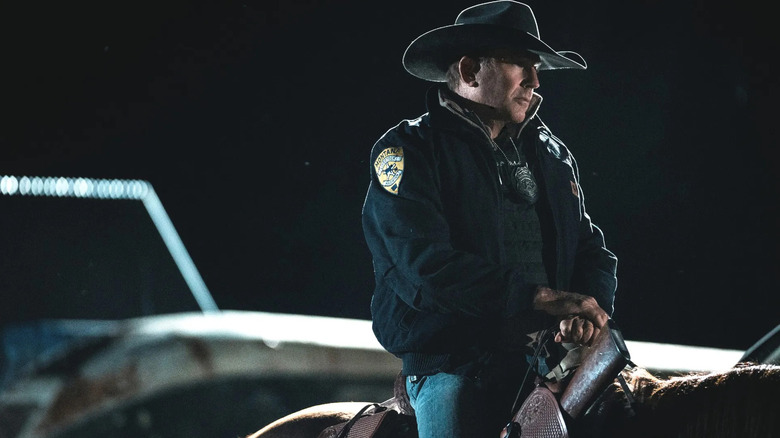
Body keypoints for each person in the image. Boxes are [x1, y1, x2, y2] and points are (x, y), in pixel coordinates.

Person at [361, 1, 618, 437]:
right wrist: (542, 300)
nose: (535, 82)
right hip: (453, 364)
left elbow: (591, 251)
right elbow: (427, 270)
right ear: (469, 70)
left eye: (535, 68)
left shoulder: (553, 156)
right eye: (520, 64)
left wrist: (588, 312)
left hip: (550, 358)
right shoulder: (407, 152)